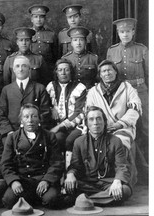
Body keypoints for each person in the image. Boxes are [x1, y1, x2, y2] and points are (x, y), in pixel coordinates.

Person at [85, 59, 141, 187]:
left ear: (115, 72)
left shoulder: (127, 88)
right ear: (100, 74)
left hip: (122, 127)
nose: (107, 73)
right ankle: (97, 178)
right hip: (99, 128)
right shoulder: (94, 91)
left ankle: (123, 180)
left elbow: (135, 109)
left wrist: (119, 124)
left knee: (120, 141)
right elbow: (89, 112)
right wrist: (100, 127)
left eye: (110, 70)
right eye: (103, 71)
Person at [64, 106, 132, 206]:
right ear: (86, 123)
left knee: (125, 190)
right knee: (69, 186)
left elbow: (122, 166)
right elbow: (75, 166)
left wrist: (117, 181)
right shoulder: (79, 142)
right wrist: (70, 175)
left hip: (108, 183)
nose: (95, 123)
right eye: (91, 119)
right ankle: (100, 199)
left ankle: (86, 200)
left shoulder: (115, 141)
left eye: (99, 118)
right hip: (87, 183)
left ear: (104, 122)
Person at [1, 103, 64, 209]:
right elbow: (5, 164)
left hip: (42, 179)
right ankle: (33, 199)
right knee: (8, 201)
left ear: (39, 119)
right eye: (26, 117)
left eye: (34, 116)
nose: (30, 120)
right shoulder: (12, 138)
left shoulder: (49, 136)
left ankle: (33, 199)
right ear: (21, 120)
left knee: (52, 200)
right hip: (23, 181)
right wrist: (14, 181)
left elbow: (57, 162)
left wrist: (47, 180)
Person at [106, 18, 149, 164]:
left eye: (128, 31)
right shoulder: (112, 51)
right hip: (122, 93)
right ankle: (131, 162)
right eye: (122, 32)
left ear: (133, 32)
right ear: (118, 33)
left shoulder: (142, 49)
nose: (125, 34)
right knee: (126, 125)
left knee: (145, 126)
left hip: (140, 91)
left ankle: (148, 161)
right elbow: (109, 74)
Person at [0, 56, 51, 143]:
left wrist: (35, 130)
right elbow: (1, 114)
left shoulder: (39, 88)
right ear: (13, 70)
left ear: (29, 69)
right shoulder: (6, 90)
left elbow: (45, 113)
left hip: (35, 132)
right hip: (12, 132)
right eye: (17, 66)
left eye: (24, 66)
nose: (21, 69)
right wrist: (9, 132)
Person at [46, 58, 87, 168]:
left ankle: (71, 170)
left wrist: (60, 126)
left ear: (71, 72)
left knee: (70, 140)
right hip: (56, 125)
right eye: (60, 70)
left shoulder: (80, 88)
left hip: (75, 126)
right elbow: (44, 104)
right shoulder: (51, 86)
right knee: (57, 139)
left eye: (66, 70)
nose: (63, 73)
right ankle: (58, 171)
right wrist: (51, 108)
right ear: (56, 72)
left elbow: (79, 112)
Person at [28, 4, 58, 84]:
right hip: (32, 71)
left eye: (41, 17)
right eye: (36, 17)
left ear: (45, 19)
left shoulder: (51, 34)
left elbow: (56, 56)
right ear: (31, 19)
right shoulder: (27, 34)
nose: (38, 19)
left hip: (48, 71)